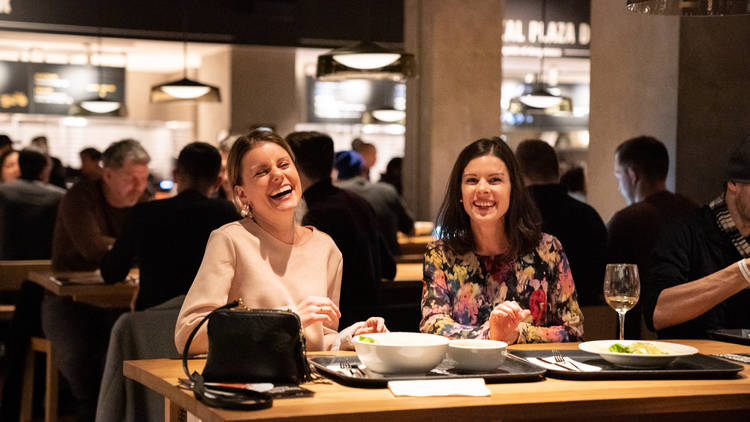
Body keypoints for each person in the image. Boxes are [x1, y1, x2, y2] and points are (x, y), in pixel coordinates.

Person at [175, 130, 387, 355]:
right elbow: (188, 335)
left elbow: (317, 338)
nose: (277, 175)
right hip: (249, 383)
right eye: (262, 172)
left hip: (307, 384)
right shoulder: (230, 240)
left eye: (284, 164)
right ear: (242, 194)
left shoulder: (325, 248)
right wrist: (286, 318)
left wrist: (353, 337)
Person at [420, 137, 584, 344]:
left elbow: (573, 330)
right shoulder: (440, 252)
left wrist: (517, 334)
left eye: (494, 180)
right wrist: (491, 335)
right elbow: (432, 324)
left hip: (536, 374)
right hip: (464, 372)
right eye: (471, 180)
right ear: (459, 192)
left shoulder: (548, 250)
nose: (482, 189)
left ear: (513, 189)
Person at [42, 139, 150, 421]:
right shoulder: (80, 197)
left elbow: (153, 244)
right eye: (131, 178)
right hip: (69, 299)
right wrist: (131, 248)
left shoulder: (144, 201)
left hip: (123, 299)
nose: (139, 187)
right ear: (108, 174)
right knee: (84, 361)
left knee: (146, 348)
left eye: (143, 178)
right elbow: (91, 246)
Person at [100, 142, 240, 310]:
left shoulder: (144, 213)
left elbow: (111, 272)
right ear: (217, 182)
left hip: (152, 322)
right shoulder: (226, 214)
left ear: (175, 175)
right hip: (206, 323)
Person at [643, 135, 750, 339]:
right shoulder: (685, 232)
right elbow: (657, 313)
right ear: (733, 183)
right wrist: (742, 273)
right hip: (693, 365)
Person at [287, 131, 396, 328]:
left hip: (340, 326)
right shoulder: (358, 202)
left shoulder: (314, 215)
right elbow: (389, 268)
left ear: (296, 166)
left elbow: (310, 288)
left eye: (283, 164)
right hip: (374, 319)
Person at [608, 136, 697, 337]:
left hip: (638, 331)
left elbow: (607, 280)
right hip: (690, 329)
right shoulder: (694, 212)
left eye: (618, 174)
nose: (618, 185)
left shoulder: (627, 220)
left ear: (632, 174)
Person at [515, 140, 608, 306]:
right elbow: (602, 281)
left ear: (517, 176)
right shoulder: (589, 215)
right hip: (593, 323)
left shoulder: (516, 218)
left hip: (529, 322)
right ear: (558, 172)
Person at [335, 150, 415, 256]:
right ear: (363, 169)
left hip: (349, 267)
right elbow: (410, 230)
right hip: (389, 265)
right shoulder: (387, 191)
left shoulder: (332, 197)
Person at [0, 148, 66, 259]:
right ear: (45, 169)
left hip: (6, 260)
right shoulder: (60, 196)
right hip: (47, 260)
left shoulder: (3, 191)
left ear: (20, 165)